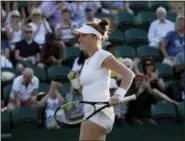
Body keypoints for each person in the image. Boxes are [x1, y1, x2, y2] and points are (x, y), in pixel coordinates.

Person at [68, 19, 135, 140]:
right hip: (93, 113)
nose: (79, 39)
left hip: (98, 114)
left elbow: (129, 74)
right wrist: (74, 81)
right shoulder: (88, 61)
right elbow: (83, 92)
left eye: (83, 35)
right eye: (79, 36)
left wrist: (118, 95)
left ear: (95, 37)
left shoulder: (102, 55)